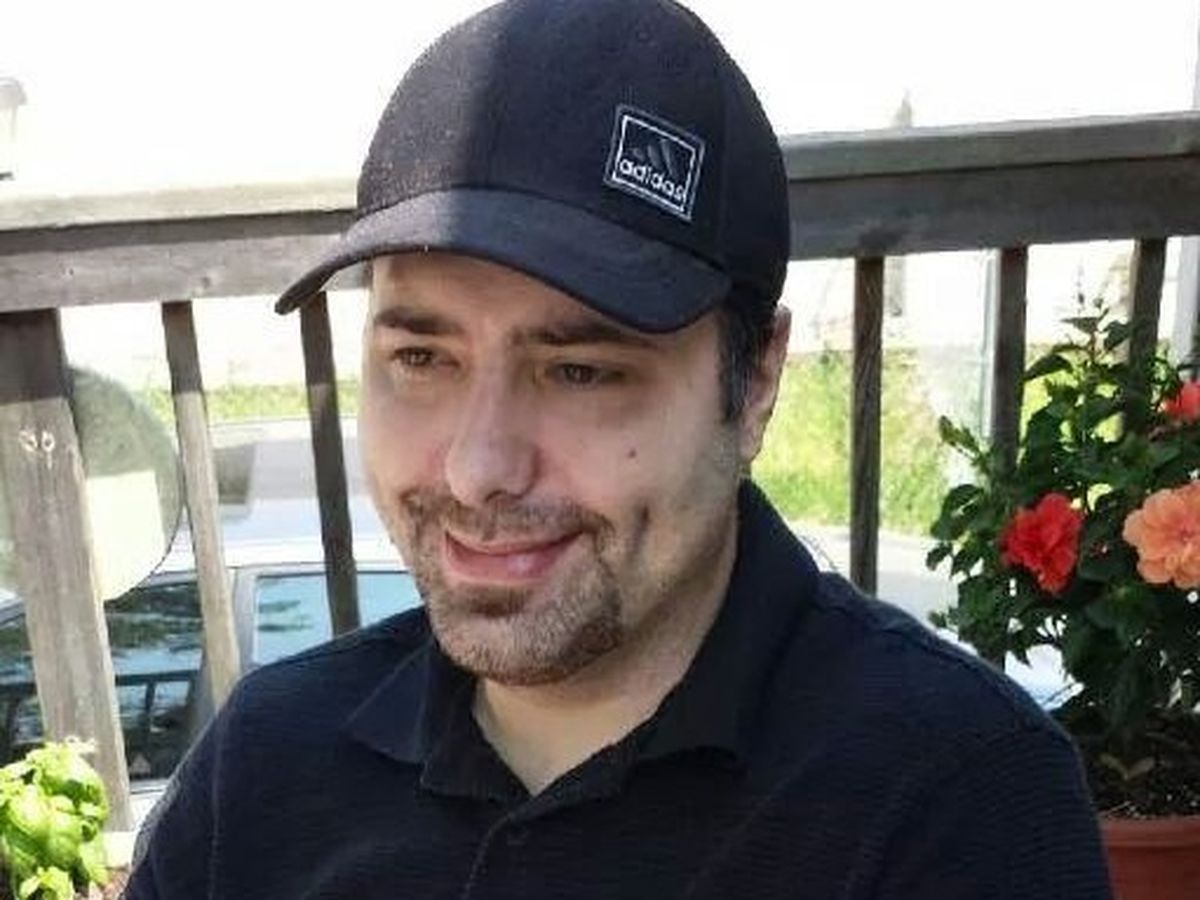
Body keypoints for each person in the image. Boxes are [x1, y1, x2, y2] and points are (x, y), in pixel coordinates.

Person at [125, 1, 1114, 897]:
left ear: (754, 383)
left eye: (581, 371)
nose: (477, 469)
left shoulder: (955, 800)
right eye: (422, 358)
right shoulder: (262, 767)